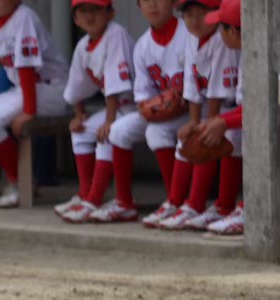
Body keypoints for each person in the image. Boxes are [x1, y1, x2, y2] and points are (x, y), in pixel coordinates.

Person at [0, 0, 72, 209]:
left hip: (54, 90)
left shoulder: (24, 17)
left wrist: (29, 112)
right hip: (25, 90)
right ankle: (21, 179)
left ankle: (18, 182)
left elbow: (27, 67)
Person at [103, 0, 188, 226]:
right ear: (138, 6)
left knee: (156, 133)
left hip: (194, 109)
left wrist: (173, 101)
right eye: (145, 0)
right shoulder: (142, 46)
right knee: (119, 130)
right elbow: (143, 100)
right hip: (165, 112)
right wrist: (155, 107)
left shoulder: (188, 34)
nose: (152, 4)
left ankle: (176, 201)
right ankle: (124, 203)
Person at [55, 0, 136, 223]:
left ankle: (94, 198)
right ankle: (86, 194)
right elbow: (76, 87)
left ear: (110, 14)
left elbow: (114, 85)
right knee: (81, 130)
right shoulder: (83, 45)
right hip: (119, 109)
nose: (90, 16)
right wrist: (78, 115)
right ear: (75, 19)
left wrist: (108, 121)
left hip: (137, 107)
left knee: (107, 133)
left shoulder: (115, 34)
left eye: (96, 10)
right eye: (83, 11)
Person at [156, 0, 227, 230]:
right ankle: (178, 202)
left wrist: (206, 123)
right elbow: (191, 84)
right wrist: (194, 121)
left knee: (206, 137)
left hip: (230, 106)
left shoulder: (222, 38)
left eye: (201, 14)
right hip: (210, 107)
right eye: (189, 15)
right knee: (187, 137)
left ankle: (205, 205)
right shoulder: (191, 38)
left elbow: (217, 89)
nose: (195, 20)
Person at [194, 0, 243, 236]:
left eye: (221, 27)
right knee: (230, 129)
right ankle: (225, 205)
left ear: (233, 31)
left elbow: (262, 110)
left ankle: (248, 208)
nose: (218, 33)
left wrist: (223, 121)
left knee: (235, 132)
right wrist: (215, 122)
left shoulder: (255, 56)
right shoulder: (245, 52)